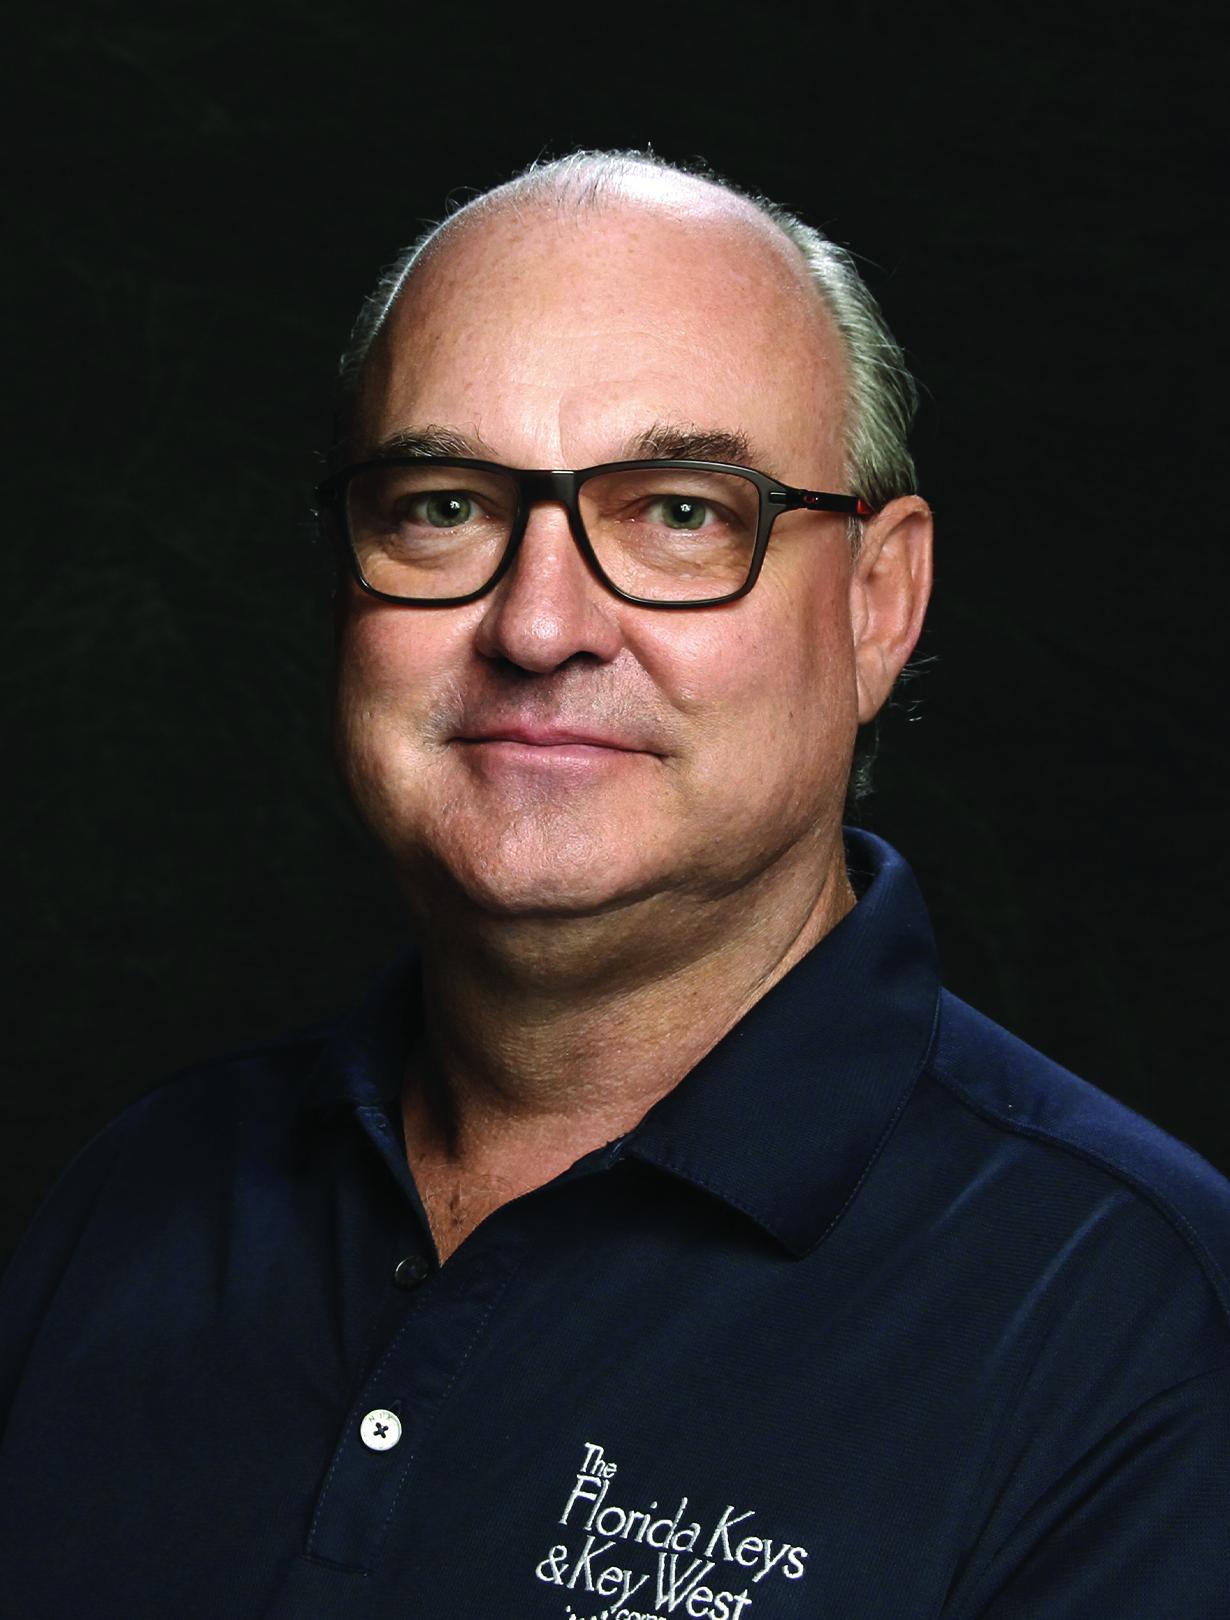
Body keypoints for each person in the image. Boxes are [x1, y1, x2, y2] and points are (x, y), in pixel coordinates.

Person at [2, 149, 1228, 1619]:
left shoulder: (1134, 1326)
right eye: (444, 505)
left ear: (874, 606)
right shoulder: (141, 1195)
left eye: (681, 513)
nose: (537, 624)